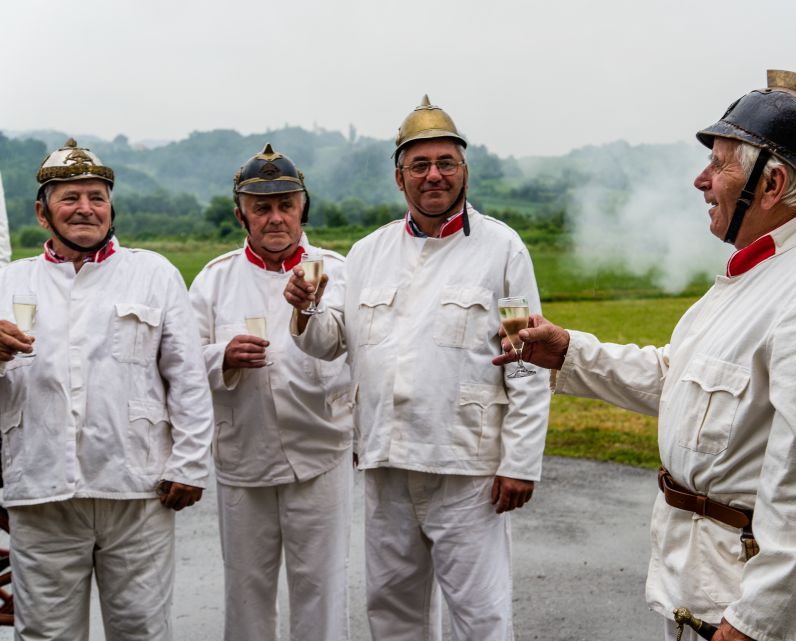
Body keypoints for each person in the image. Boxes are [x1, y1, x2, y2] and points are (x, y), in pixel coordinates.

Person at [495, 71, 796, 641]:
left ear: (772, 182)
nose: (701, 180)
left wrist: (754, 623)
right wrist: (567, 351)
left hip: (752, 606)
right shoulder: (757, 273)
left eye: (720, 164)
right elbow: (677, 378)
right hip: (705, 585)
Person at [284, 96, 551, 641]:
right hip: (386, 462)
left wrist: (521, 461)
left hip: (466, 466)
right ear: (399, 177)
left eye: (446, 163)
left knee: (480, 616)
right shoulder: (368, 252)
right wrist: (304, 307)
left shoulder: (502, 248)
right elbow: (331, 342)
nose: (434, 176)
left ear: (465, 170)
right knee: (393, 612)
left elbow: (525, 358)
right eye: (420, 165)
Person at [0, 138, 213, 641]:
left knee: (139, 629)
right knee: (46, 634)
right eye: (69, 197)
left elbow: (187, 378)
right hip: (40, 489)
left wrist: (189, 464)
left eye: (96, 196)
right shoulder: (9, 282)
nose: (85, 208)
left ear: (111, 207)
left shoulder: (152, 273)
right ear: (42, 212)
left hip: (137, 487)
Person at [189, 144, 354, 641]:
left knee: (321, 588)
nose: (275, 218)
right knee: (246, 588)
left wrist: (312, 310)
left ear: (304, 207)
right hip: (244, 455)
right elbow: (178, 361)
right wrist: (221, 356)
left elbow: (351, 348)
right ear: (241, 214)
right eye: (262, 208)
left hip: (322, 451)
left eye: (286, 205)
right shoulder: (214, 281)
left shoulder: (339, 271)